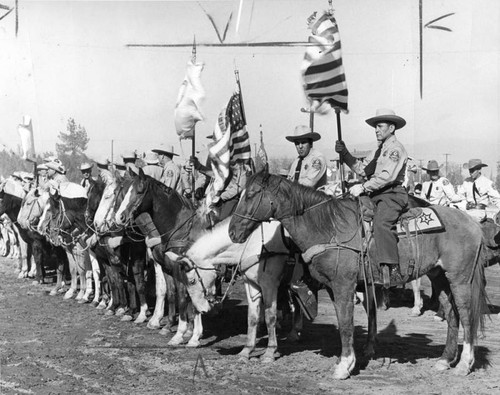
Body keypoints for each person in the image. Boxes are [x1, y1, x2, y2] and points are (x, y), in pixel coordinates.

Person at [335, 108, 408, 287]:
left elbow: (387, 176)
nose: (376, 129)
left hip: (391, 194)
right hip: (375, 194)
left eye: (380, 126)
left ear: (391, 128)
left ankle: (393, 270)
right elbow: (362, 168)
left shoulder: (395, 149)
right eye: (375, 126)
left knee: (382, 223)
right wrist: (344, 154)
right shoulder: (379, 150)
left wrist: (363, 186)